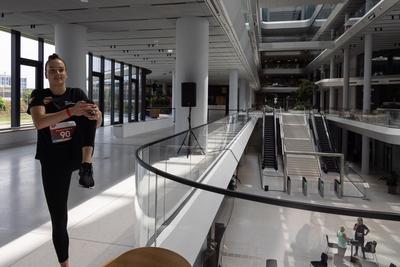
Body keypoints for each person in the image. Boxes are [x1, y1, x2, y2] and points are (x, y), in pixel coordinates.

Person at [28, 53, 102, 267]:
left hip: (76, 155)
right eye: (52, 70)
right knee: (59, 219)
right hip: (53, 162)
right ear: (46, 74)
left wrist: (96, 114)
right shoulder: (39, 96)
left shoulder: (76, 93)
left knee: (88, 110)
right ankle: (65, 265)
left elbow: (96, 125)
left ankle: (87, 167)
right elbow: (40, 122)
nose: (57, 73)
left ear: (66, 73)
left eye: (60, 69)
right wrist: (71, 111)